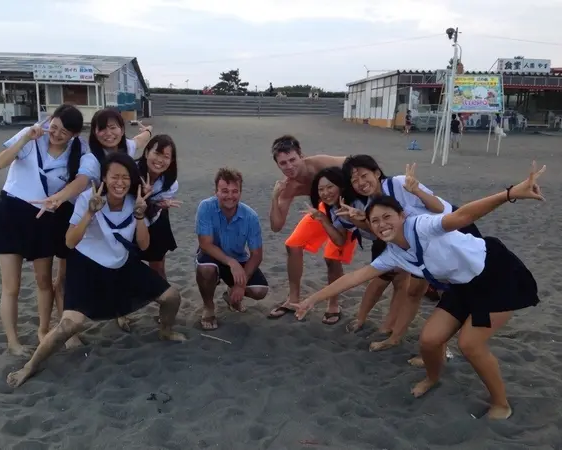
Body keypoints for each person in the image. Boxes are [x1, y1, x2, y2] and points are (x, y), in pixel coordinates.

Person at [291, 161, 545, 419]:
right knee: (429, 340)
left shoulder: (421, 225)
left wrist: (510, 193)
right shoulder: (393, 254)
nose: (382, 224)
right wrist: (311, 299)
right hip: (462, 286)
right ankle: (433, 378)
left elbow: (463, 216)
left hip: (495, 275)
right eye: (375, 221)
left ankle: (501, 403)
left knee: (470, 345)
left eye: (387, 217)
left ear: (402, 216)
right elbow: (355, 277)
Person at [6, 152, 186, 389]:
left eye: (125, 177)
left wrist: (141, 216)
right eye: (114, 177)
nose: (120, 182)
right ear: (104, 178)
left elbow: (143, 245)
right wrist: (90, 213)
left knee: (172, 297)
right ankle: (30, 366)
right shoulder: (87, 199)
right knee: (69, 325)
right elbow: (70, 242)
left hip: (122, 265)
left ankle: (165, 330)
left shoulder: (136, 202)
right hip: (87, 267)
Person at [339, 154, 481, 352]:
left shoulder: (399, 183)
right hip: (422, 248)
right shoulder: (371, 203)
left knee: (450, 293)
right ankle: (396, 338)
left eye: (364, 176)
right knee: (414, 291)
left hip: (452, 235)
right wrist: (359, 220)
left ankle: (441, 346)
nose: (361, 183)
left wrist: (416, 191)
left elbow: (441, 208)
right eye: (355, 180)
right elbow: (382, 234)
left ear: (377, 173)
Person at [0, 105, 87, 356]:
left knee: (44, 281)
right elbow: (0, 163)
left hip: (44, 218)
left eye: (64, 132)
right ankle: (13, 342)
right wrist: (26, 137)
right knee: (11, 286)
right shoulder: (31, 136)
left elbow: (90, 172)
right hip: (11, 212)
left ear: (74, 135)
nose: (55, 134)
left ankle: (43, 330)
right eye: (54, 127)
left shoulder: (78, 150)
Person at [76, 107, 154, 331]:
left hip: (118, 213)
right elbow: (81, 182)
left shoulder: (127, 146)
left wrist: (148, 130)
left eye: (114, 127)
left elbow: (141, 139)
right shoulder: (91, 158)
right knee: (67, 272)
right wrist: (58, 198)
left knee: (120, 262)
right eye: (102, 128)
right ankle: (69, 320)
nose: (108, 133)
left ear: (121, 129)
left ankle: (120, 312)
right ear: (95, 131)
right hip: (86, 213)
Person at [267, 135, 349, 324]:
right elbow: (276, 226)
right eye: (283, 163)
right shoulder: (289, 186)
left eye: (292, 160)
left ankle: (333, 303)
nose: (289, 167)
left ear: (301, 156)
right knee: (293, 244)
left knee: (332, 255)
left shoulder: (322, 165)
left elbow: (353, 163)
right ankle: (293, 299)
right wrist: (275, 197)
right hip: (321, 209)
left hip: (344, 209)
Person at [196, 168, 269, 330]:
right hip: (213, 256)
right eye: (224, 191)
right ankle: (208, 307)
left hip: (238, 257)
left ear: (241, 193)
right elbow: (205, 244)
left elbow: (257, 254)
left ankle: (230, 296)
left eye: (235, 191)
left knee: (259, 291)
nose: (230, 196)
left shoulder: (250, 216)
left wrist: (241, 285)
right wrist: (231, 262)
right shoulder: (206, 207)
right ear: (216, 192)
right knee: (206, 269)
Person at [136, 134, 181, 279]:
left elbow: (155, 208)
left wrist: (157, 204)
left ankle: (164, 296)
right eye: (156, 153)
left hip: (155, 218)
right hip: (131, 217)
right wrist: (141, 193)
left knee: (158, 266)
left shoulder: (170, 183)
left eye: (166, 156)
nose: (160, 160)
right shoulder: (132, 172)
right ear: (146, 152)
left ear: (172, 160)